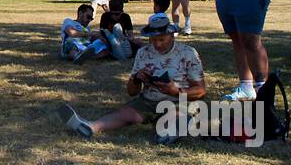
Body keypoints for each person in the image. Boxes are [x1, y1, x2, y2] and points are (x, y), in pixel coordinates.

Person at [60, 13, 207, 142]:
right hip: (147, 101)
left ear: (171, 35)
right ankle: (90, 127)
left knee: (176, 114)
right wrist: (137, 78)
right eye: (153, 40)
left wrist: (175, 91)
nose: (157, 44)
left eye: (161, 39)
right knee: (125, 114)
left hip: (178, 101)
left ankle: (170, 131)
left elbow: (200, 90)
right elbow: (131, 91)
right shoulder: (143, 52)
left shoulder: (188, 53)